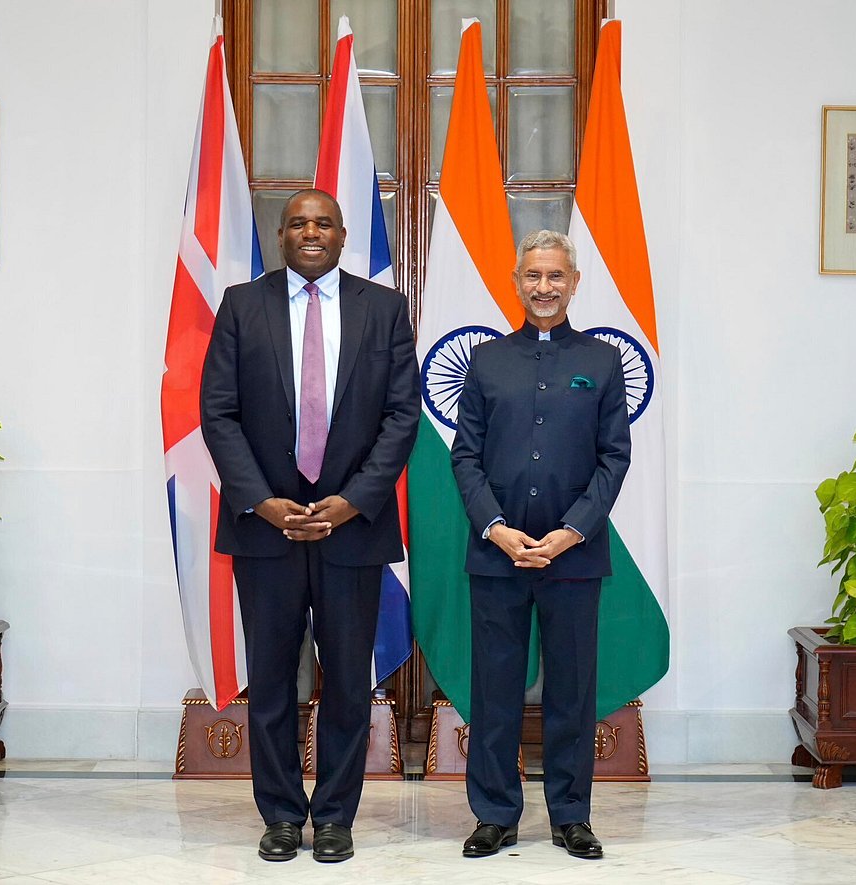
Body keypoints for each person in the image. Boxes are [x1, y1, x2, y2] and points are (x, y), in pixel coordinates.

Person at [201, 189, 420, 863]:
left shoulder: (383, 309)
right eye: (298, 222)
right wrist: (261, 501)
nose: (310, 231)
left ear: (344, 233)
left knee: (348, 680)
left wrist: (353, 500)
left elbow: (401, 416)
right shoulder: (243, 305)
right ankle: (280, 815)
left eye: (322, 221)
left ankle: (334, 817)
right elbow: (218, 411)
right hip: (266, 528)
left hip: (351, 528)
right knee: (270, 679)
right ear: (280, 233)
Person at [450, 229, 632, 860]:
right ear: (517, 281)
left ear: (574, 283)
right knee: (494, 692)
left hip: (574, 557)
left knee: (571, 692)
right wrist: (497, 529)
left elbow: (614, 459)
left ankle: (571, 815)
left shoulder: (602, 363)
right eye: (533, 276)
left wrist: (567, 533)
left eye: (556, 276)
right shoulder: (487, 361)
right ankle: (495, 814)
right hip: (496, 555)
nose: (544, 287)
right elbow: (464, 456)